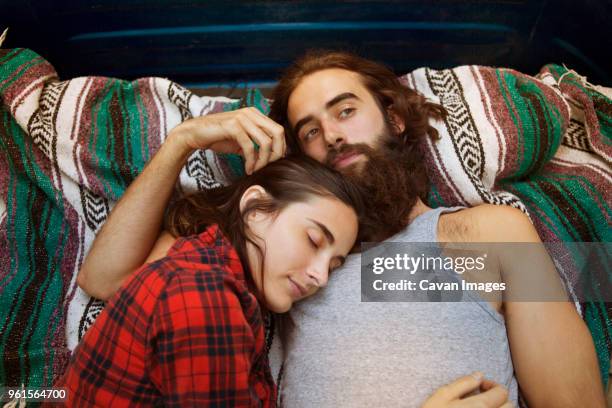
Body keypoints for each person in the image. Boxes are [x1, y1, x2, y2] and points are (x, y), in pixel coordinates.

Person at [76, 50, 605, 407]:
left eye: (345, 110)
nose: (330, 134)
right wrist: (181, 141)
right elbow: (104, 279)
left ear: (395, 119)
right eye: (309, 130)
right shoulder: (272, 253)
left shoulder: (482, 238)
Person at [54, 156, 363, 406]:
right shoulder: (205, 297)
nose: (321, 277)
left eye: (333, 266)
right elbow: (98, 278)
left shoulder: (209, 272)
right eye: (313, 240)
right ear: (255, 210)